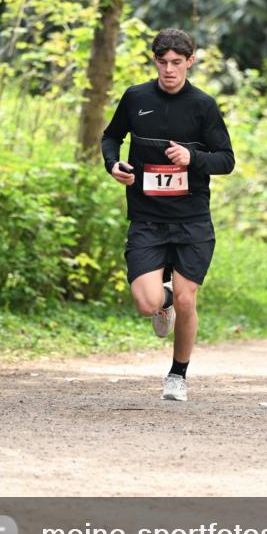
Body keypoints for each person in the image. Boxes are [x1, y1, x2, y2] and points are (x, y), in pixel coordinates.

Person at [101, 28, 235, 402]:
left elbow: (226, 160)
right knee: (146, 304)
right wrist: (114, 164)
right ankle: (162, 301)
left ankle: (177, 375)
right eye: (162, 62)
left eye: (177, 63)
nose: (169, 70)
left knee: (187, 298)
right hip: (146, 217)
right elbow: (110, 137)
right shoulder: (136, 97)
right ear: (155, 61)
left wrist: (194, 158)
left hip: (192, 220)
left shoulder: (203, 106)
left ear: (190, 61)